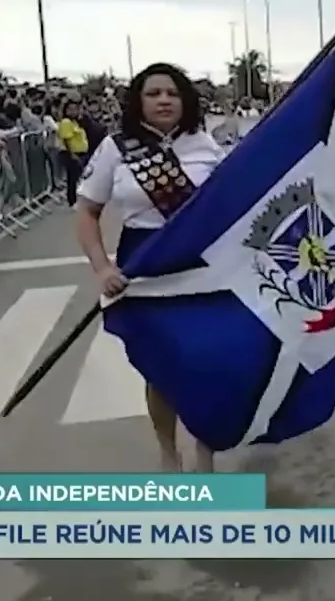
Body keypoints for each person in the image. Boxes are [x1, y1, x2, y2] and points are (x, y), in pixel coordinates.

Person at [75, 63, 226, 472]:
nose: (164, 100)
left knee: (206, 364)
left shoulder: (205, 144)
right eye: (154, 93)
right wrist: (102, 268)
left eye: (172, 93)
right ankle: (168, 451)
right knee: (160, 368)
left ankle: (206, 451)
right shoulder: (116, 148)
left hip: (200, 265)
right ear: (138, 101)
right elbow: (86, 211)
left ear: (185, 100)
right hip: (144, 264)